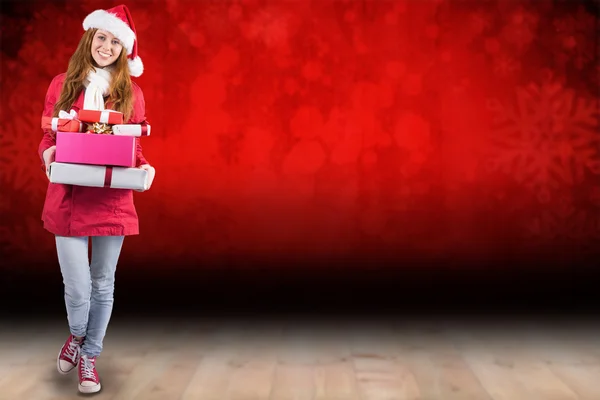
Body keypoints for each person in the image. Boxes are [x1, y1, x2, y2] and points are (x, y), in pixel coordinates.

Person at [37, 4, 155, 394]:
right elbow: (49, 136)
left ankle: (89, 355)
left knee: (103, 283)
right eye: (101, 37)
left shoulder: (131, 94)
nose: (106, 46)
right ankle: (76, 334)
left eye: (115, 41)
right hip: (69, 194)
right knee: (78, 287)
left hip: (111, 197)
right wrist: (48, 154)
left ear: (125, 51)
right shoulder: (60, 84)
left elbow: (134, 148)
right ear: (90, 38)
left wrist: (145, 167)